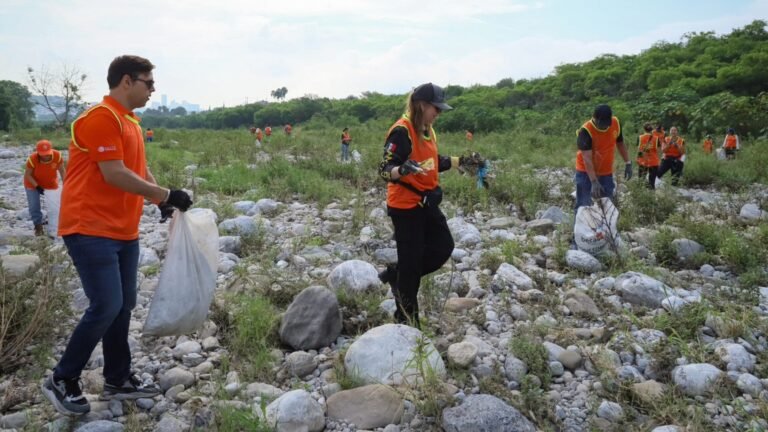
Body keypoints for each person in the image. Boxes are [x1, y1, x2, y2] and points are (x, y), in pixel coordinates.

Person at [41, 55, 193, 416]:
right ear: (127, 81)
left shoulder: (130, 121)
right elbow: (113, 173)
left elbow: (137, 168)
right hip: (89, 227)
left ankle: (118, 378)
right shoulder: (99, 118)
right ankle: (62, 378)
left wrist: (159, 199)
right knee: (106, 304)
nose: (153, 89)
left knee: (122, 306)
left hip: (123, 230)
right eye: (148, 82)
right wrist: (165, 194)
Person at [377, 82, 466, 327]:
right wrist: (400, 169)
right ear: (421, 105)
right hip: (405, 208)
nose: (438, 113)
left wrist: (460, 161)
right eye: (435, 108)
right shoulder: (401, 131)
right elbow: (384, 170)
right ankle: (407, 321)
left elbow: (431, 161)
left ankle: (398, 274)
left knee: (443, 246)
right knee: (411, 261)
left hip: (426, 203)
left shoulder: (427, 129)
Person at [574, 104, 631, 213]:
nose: (605, 127)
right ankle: (581, 230)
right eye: (602, 125)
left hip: (606, 171)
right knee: (584, 204)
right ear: (594, 118)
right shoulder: (585, 131)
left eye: (607, 124)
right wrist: (594, 181)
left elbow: (620, 143)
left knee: (607, 203)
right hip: (585, 172)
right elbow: (587, 159)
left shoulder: (615, 123)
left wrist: (628, 162)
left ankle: (604, 229)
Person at [23, 140, 66, 236]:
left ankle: (54, 226)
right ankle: (38, 227)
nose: (45, 156)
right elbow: (28, 175)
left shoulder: (57, 155)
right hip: (32, 184)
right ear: (38, 152)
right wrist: (37, 186)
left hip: (50, 183)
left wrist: (66, 184)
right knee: (34, 206)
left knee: (55, 205)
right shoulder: (32, 158)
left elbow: (62, 171)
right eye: (43, 154)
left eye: (47, 154)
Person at [636, 123, 660, 189]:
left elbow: (638, 150)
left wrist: (638, 158)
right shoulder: (656, 138)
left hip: (643, 162)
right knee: (652, 182)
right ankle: (651, 196)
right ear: (652, 129)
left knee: (641, 181)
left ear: (644, 129)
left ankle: (640, 196)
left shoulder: (640, 137)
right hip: (653, 162)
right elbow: (658, 151)